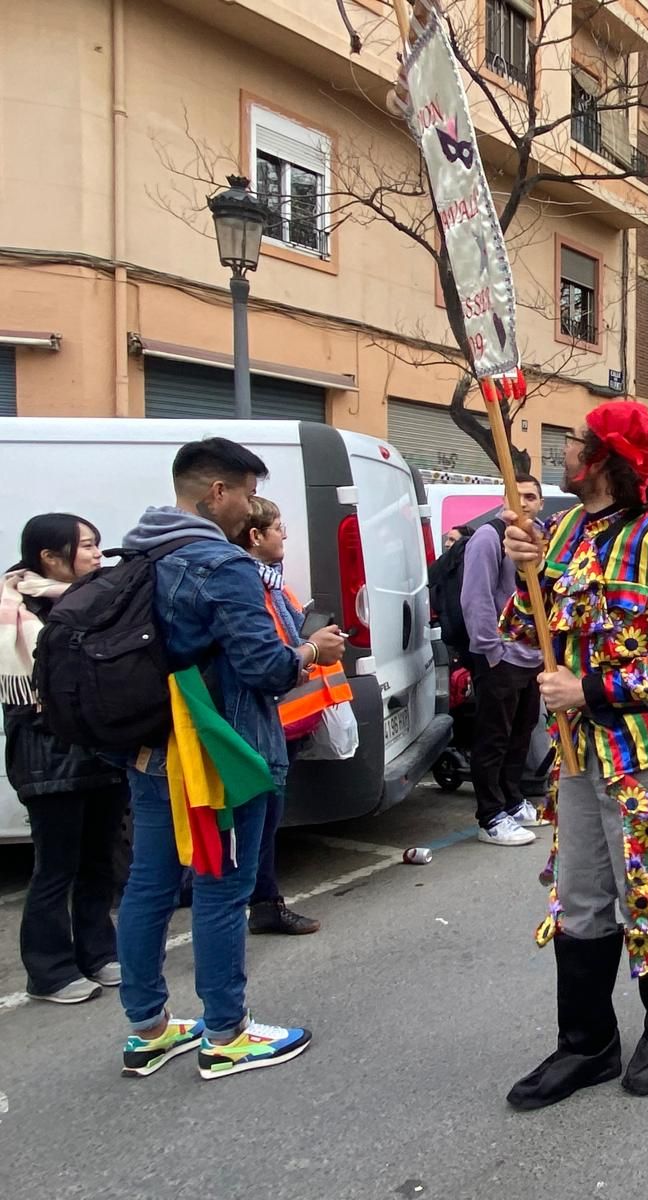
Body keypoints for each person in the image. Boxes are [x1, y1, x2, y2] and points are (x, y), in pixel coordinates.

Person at [499, 401, 648, 1110]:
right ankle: (587, 1043)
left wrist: (589, 687)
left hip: (643, 756)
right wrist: (523, 570)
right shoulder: (559, 531)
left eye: (573, 442)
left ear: (606, 460)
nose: (561, 450)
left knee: (647, 896)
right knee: (580, 896)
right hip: (575, 756)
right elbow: (523, 631)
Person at [116, 438, 344, 1079]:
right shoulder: (221, 564)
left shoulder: (140, 548)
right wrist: (311, 650)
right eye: (246, 494)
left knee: (151, 884)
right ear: (217, 492)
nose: (250, 509)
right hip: (222, 752)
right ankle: (226, 1032)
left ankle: (149, 1029)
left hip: (151, 746)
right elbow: (266, 668)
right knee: (222, 888)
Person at [3, 514, 127, 1005]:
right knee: (56, 865)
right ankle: (49, 970)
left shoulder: (99, 598)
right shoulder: (17, 610)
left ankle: (98, 952)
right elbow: (25, 697)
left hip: (100, 748)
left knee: (101, 861)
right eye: (86, 546)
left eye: (97, 544)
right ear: (50, 558)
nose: (98, 554)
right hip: (47, 755)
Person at [230, 497, 323, 936]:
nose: (284, 535)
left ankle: (264, 900)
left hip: (278, 719)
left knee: (266, 820)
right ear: (255, 536)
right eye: (279, 527)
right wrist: (311, 648)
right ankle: (257, 903)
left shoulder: (270, 583)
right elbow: (270, 657)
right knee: (256, 823)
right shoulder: (248, 585)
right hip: (261, 720)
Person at [463, 474, 547, 847]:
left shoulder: (541, 536)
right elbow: (476, 598)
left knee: (521, 734)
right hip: (501, 656)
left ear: (541, 503)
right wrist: (491, 651)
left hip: (533, 656)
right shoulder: (488, 537)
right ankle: (490, 814)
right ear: (505, 498)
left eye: (531, 496)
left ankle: (513, 801)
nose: (524, 502)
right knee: (493, 738)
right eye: (518, 495)